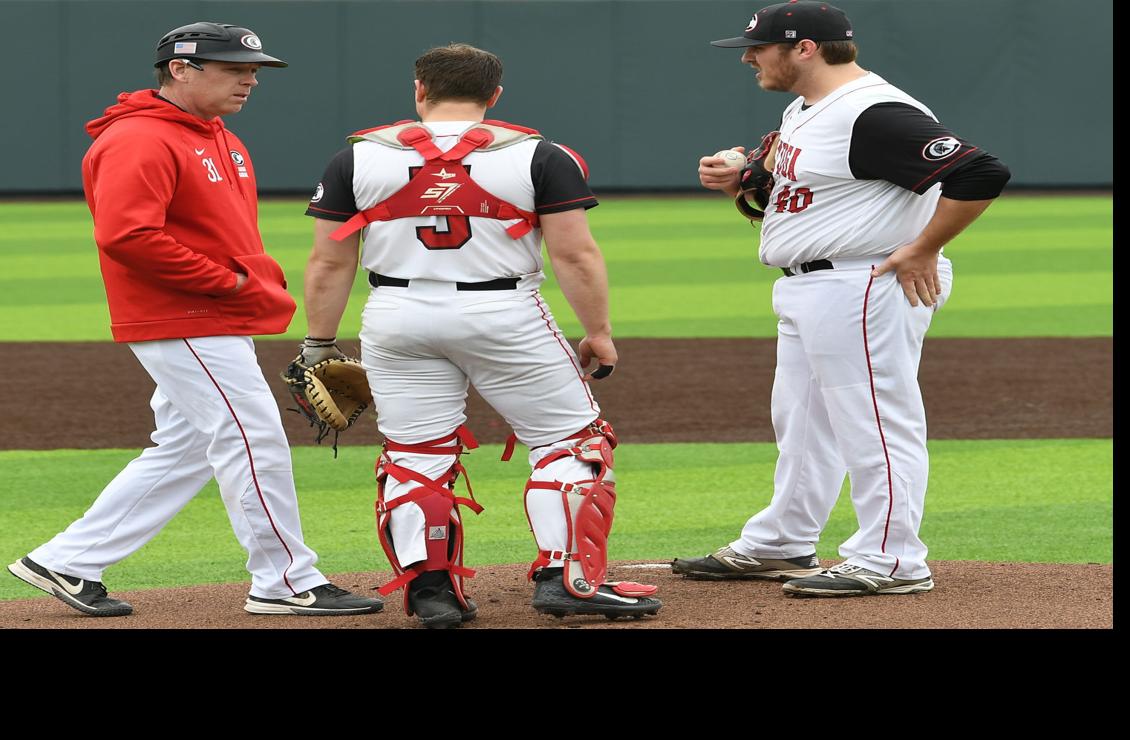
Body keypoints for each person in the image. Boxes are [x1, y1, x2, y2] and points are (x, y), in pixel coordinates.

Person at [6, 22, 383, 619]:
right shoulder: (138, 140)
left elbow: (219, 231)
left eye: (253, 71)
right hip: (181, 314)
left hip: (211, 313)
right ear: (181, 70)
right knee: (251, 435)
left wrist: (253, 277)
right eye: (235, 69)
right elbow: (128, 236)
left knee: (185, 447)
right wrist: (229, 281)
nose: (250, 80)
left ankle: (68, 560)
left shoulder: (218, 136)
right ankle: (285, 581)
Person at [300, 43, 661, 628]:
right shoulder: (541, 156)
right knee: (571, 441)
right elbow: (575, 254)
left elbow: (328, 264)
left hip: (396, 314)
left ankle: (431, 593)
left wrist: (319, 342)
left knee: (415, 455)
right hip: (503, 314)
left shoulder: (356, 159)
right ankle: (566, 578)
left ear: (419, 89)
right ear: (494, 96)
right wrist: (597, 331)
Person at [672, 2, 1012, 597]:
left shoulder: (873, 111)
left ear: (805, 48)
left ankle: (892, 559)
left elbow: (981, 171)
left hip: (865, 281)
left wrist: (924, 247)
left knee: (875, 422)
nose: (749, 57)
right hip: (815, 286)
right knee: (802, 422)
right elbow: (807, 172)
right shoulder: (809, 106)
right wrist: (745, 168)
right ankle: (782, 541)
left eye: (759, 47)